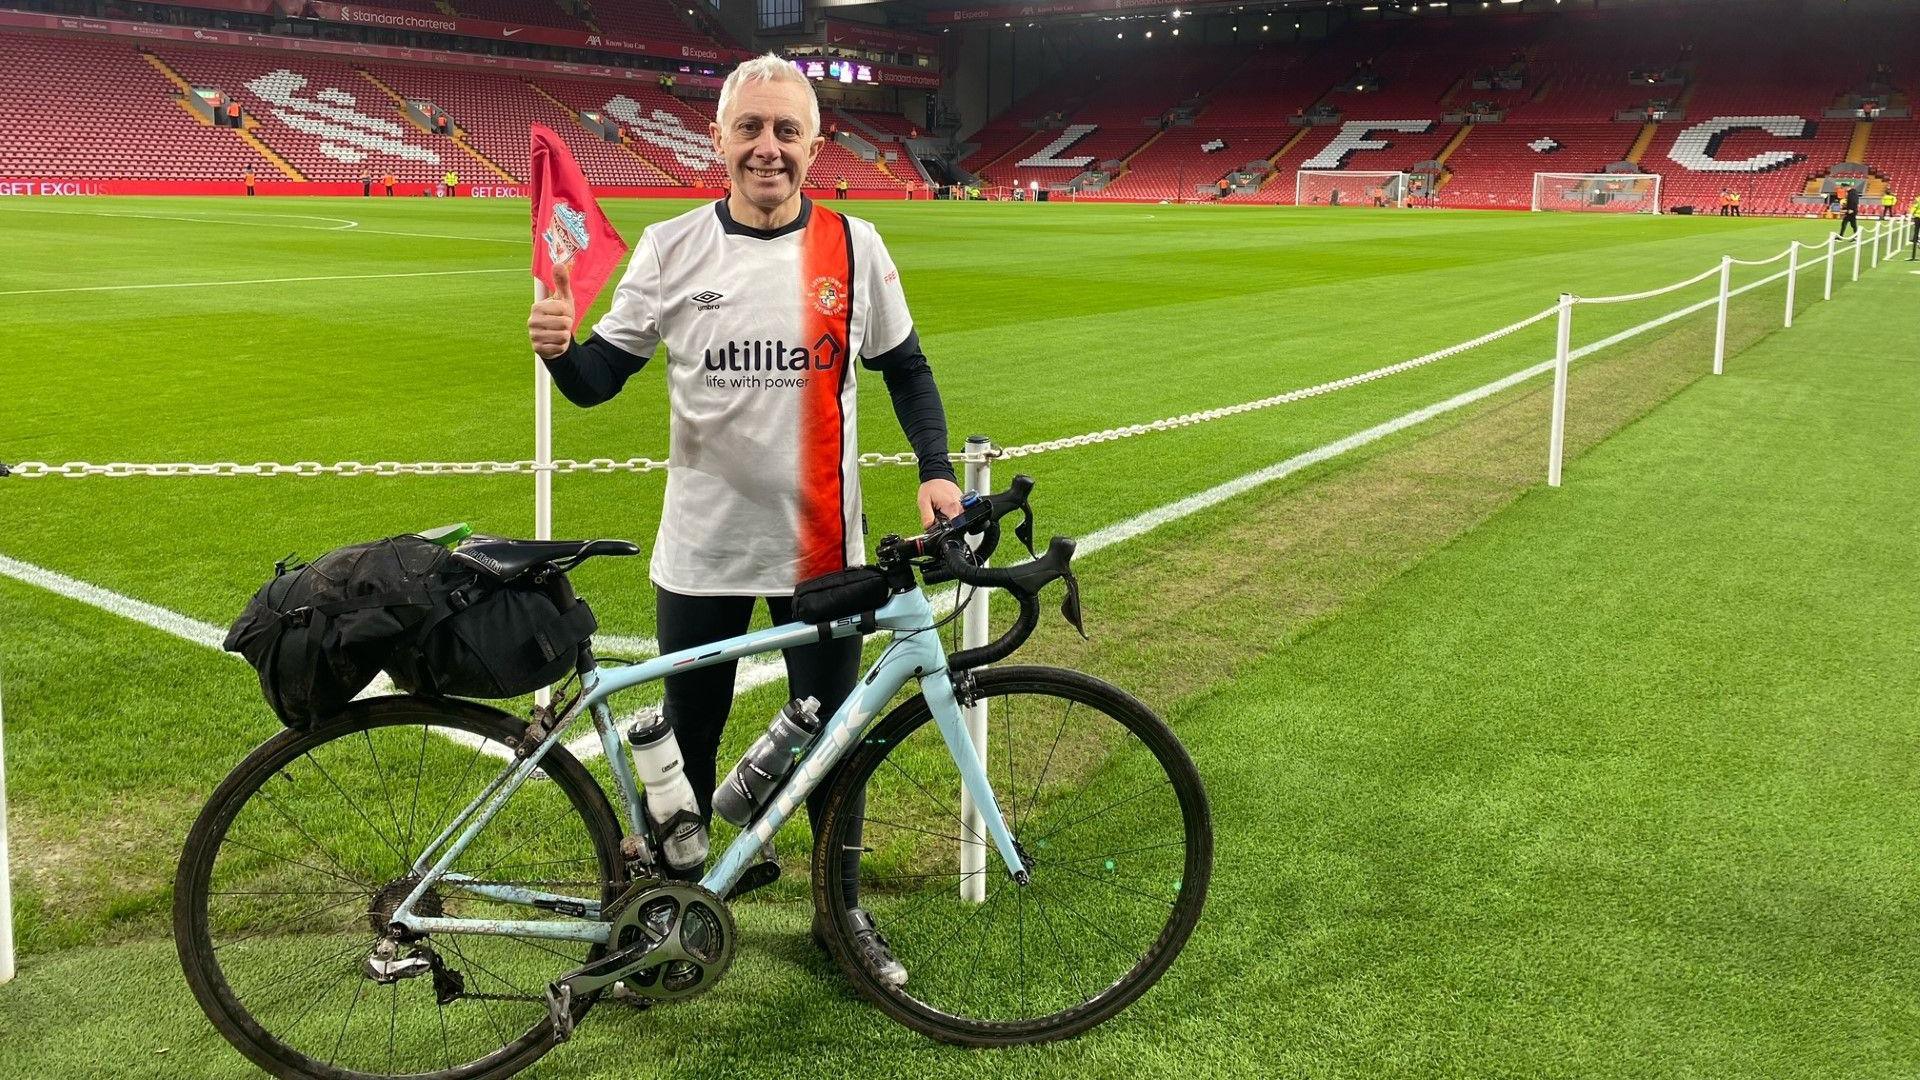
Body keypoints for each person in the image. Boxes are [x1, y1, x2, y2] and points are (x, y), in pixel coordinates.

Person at [526, 53, 961, 987]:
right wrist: (562, 352)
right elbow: (602, 381)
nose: (769, 148)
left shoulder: (856, 245)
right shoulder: (672, 246)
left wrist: (934, 471)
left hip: (821, 555)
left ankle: (839, 918)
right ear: (718, 140)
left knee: (834, 756)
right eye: (751, 129)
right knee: (685, 757)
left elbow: (907, 368)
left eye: (787, 131)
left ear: (815, 144)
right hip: (703, 550)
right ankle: (667, 926)